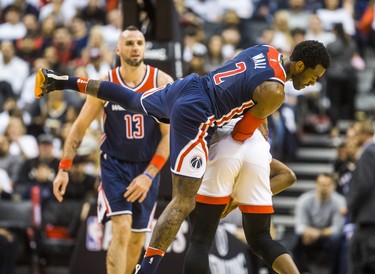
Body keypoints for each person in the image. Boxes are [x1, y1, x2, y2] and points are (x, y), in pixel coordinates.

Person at [34, 40, 330, 274]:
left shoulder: (266, 50)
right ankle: (145, 270)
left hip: (191, 86)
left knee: (132, 99)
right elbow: (241, 133)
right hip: (199, 116)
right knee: (183, 201)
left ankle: (58, 81)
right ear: (300, 64)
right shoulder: (275, 91)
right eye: (313, 77)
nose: (312, 83)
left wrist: (257, 116)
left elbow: (236, 77)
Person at [50, 26, 172, 274]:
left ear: (145, 47)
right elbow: (79, 127)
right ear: (118, 49)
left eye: (139, 42)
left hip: (146, 167)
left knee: (138, 238)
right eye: (129, 43)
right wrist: (63, 169)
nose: (135, 47)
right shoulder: (105, 83)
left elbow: (169, 136)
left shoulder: (161, 83)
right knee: (122, 226)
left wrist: (148, 175)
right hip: (114, 165)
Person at [184, 118, 299, 274]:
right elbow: (288, 176)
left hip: (222, 139)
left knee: (200, 240)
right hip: (255, 144)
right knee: (261, 239)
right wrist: (240, 199)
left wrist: (235, 201)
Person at [292, 173, 347, 273]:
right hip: (309, 235)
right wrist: (308, 232)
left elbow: (338, 228)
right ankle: (298, 271)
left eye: (327, 185)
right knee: (296, 239)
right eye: (321, 184)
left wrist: (319, 233)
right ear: (316, 184)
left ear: (333, 186)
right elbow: (299, 226)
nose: (324, 188)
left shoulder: (339, 201)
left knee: (337, 240)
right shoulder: (304, 200)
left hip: (327, 236)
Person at [347, 119, 375, 274]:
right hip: (368, 218)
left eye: (356, 133)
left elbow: (364, 184)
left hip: (369, 219)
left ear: (365, 134)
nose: (353, 137)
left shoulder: (369, 151)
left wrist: (349, 204)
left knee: (364, 263)